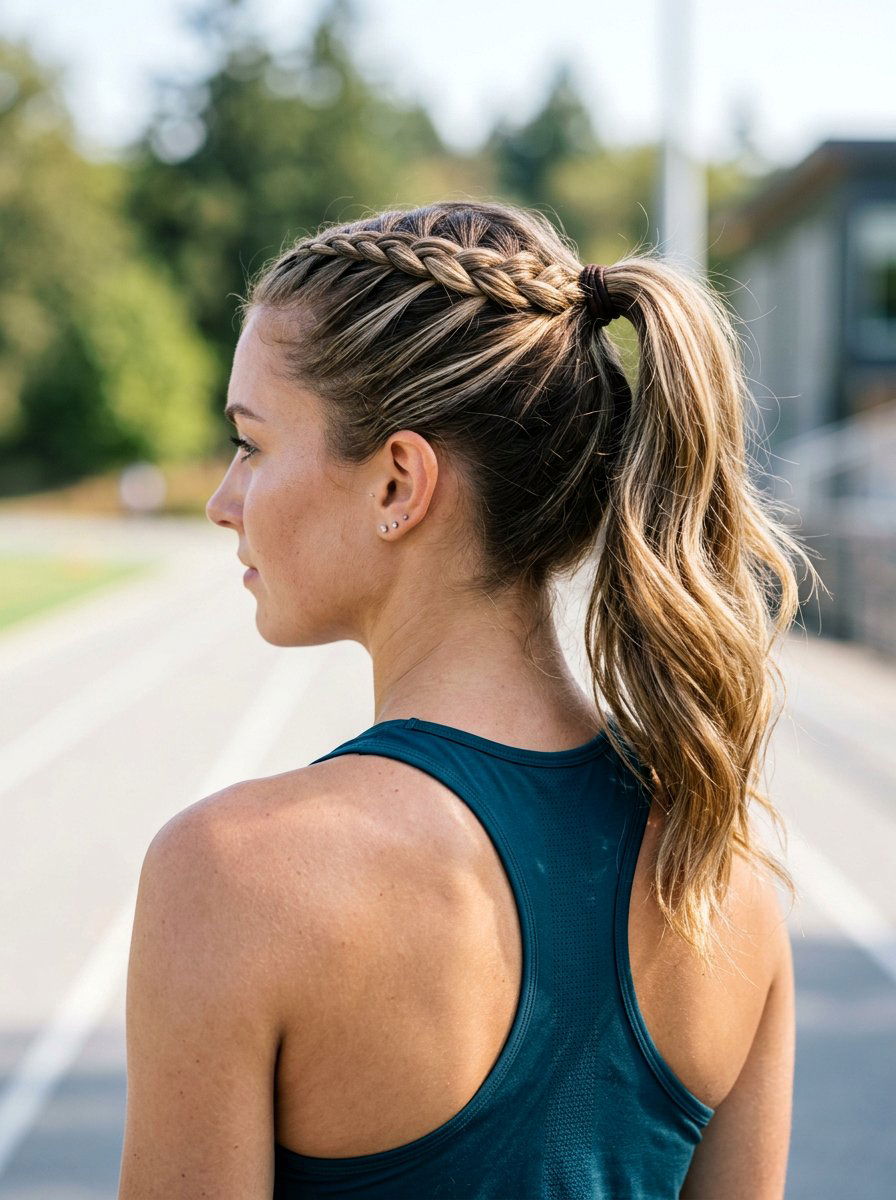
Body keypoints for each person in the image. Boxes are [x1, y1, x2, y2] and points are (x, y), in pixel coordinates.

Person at [119, 201, 814, 1199]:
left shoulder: (232, 879)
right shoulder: (722, 884)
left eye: (253, 444)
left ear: (399, 483)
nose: (223, 500)